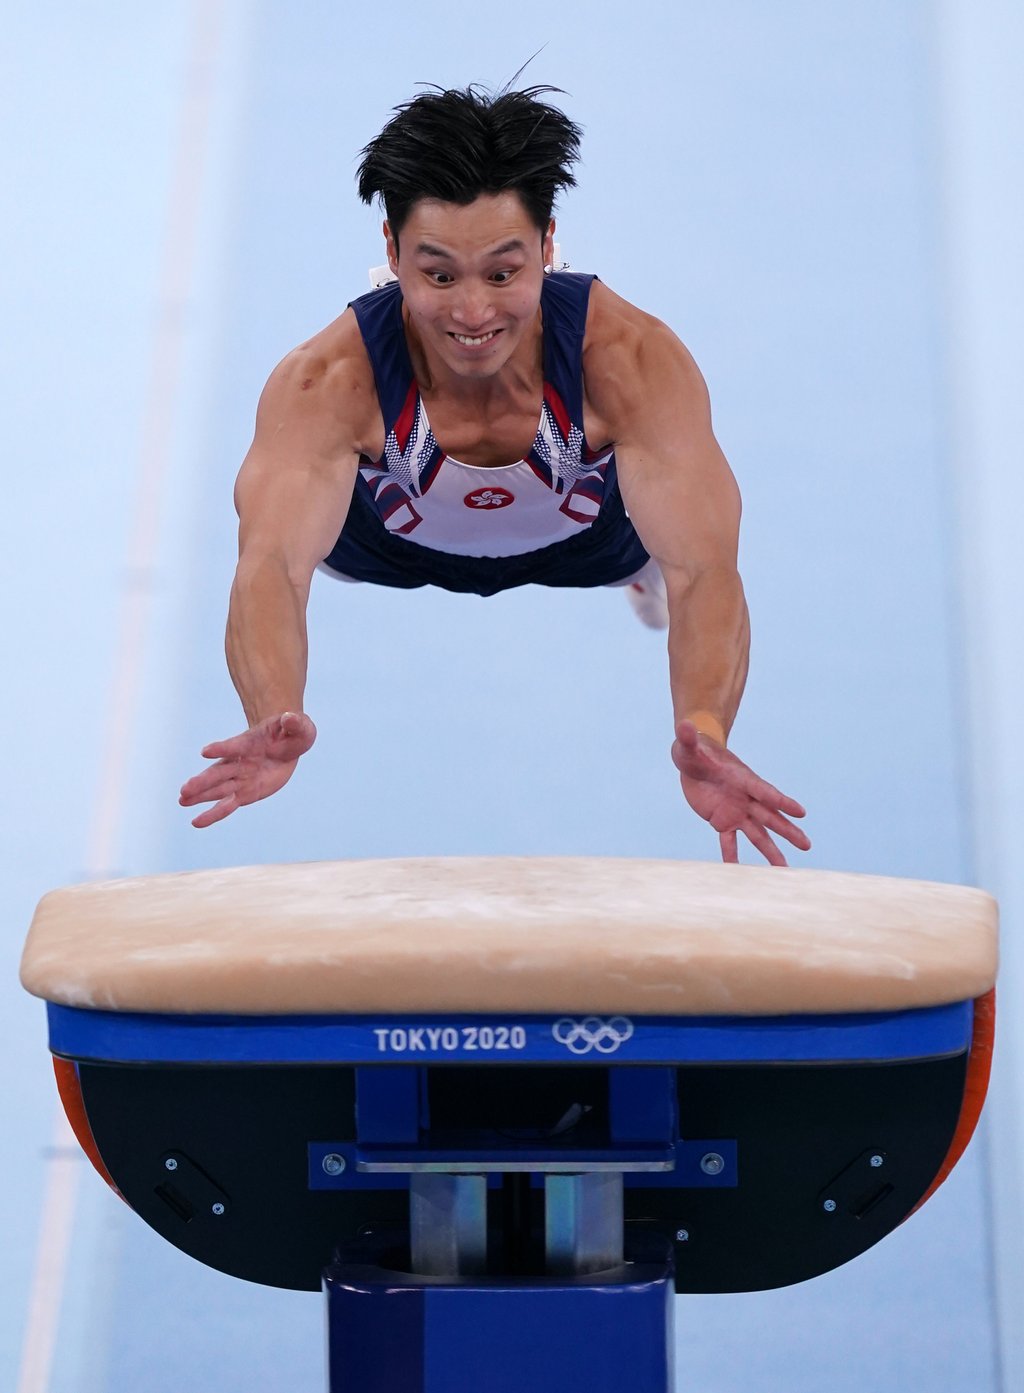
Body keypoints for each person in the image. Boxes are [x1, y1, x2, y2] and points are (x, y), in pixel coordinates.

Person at [179, 84, 810, 866]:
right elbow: (270, 566)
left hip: (594, 541)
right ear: (392, 252)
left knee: (673, 552)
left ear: (548, 245)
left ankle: (637, 579)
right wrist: (273, 709)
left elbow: (706, 570)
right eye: (440, 277)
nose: (474, 314)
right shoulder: (331, 380)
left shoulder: (629, 362)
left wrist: (706, 730)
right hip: (382, 544)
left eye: (503, 274)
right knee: (292, 533)